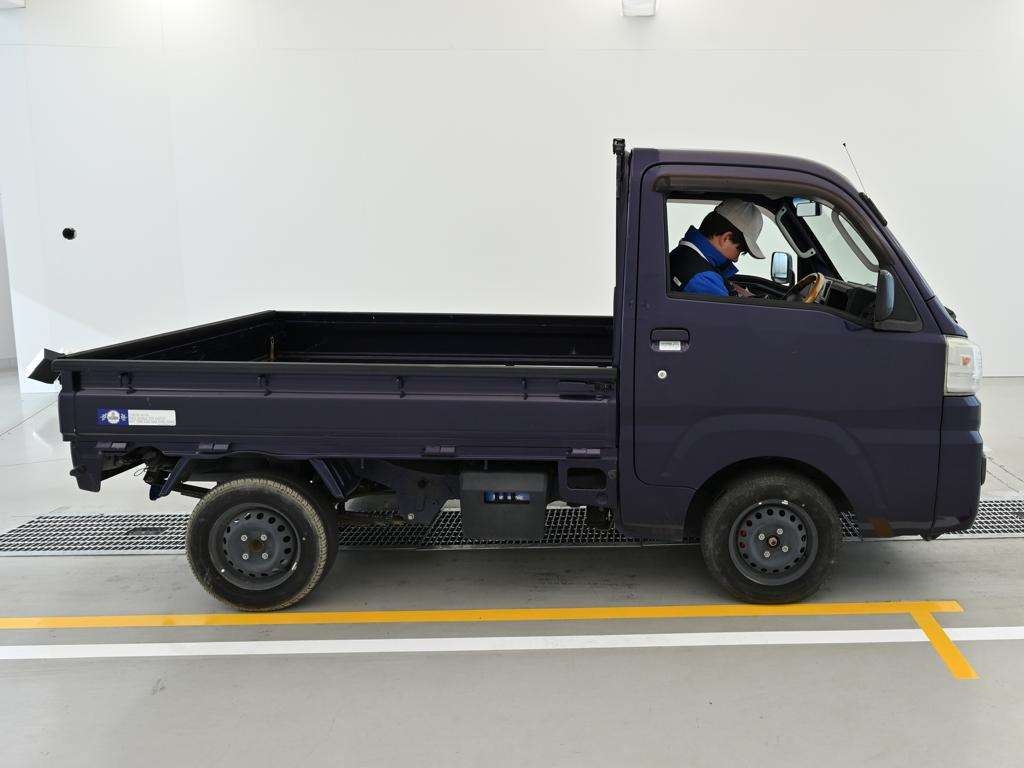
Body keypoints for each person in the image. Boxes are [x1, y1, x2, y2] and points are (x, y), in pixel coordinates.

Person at [669, 199, 766, 298]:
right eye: (739, 250)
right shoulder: (703, 279)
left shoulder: (681, 255)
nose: (736, 259)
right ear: (726, 238)